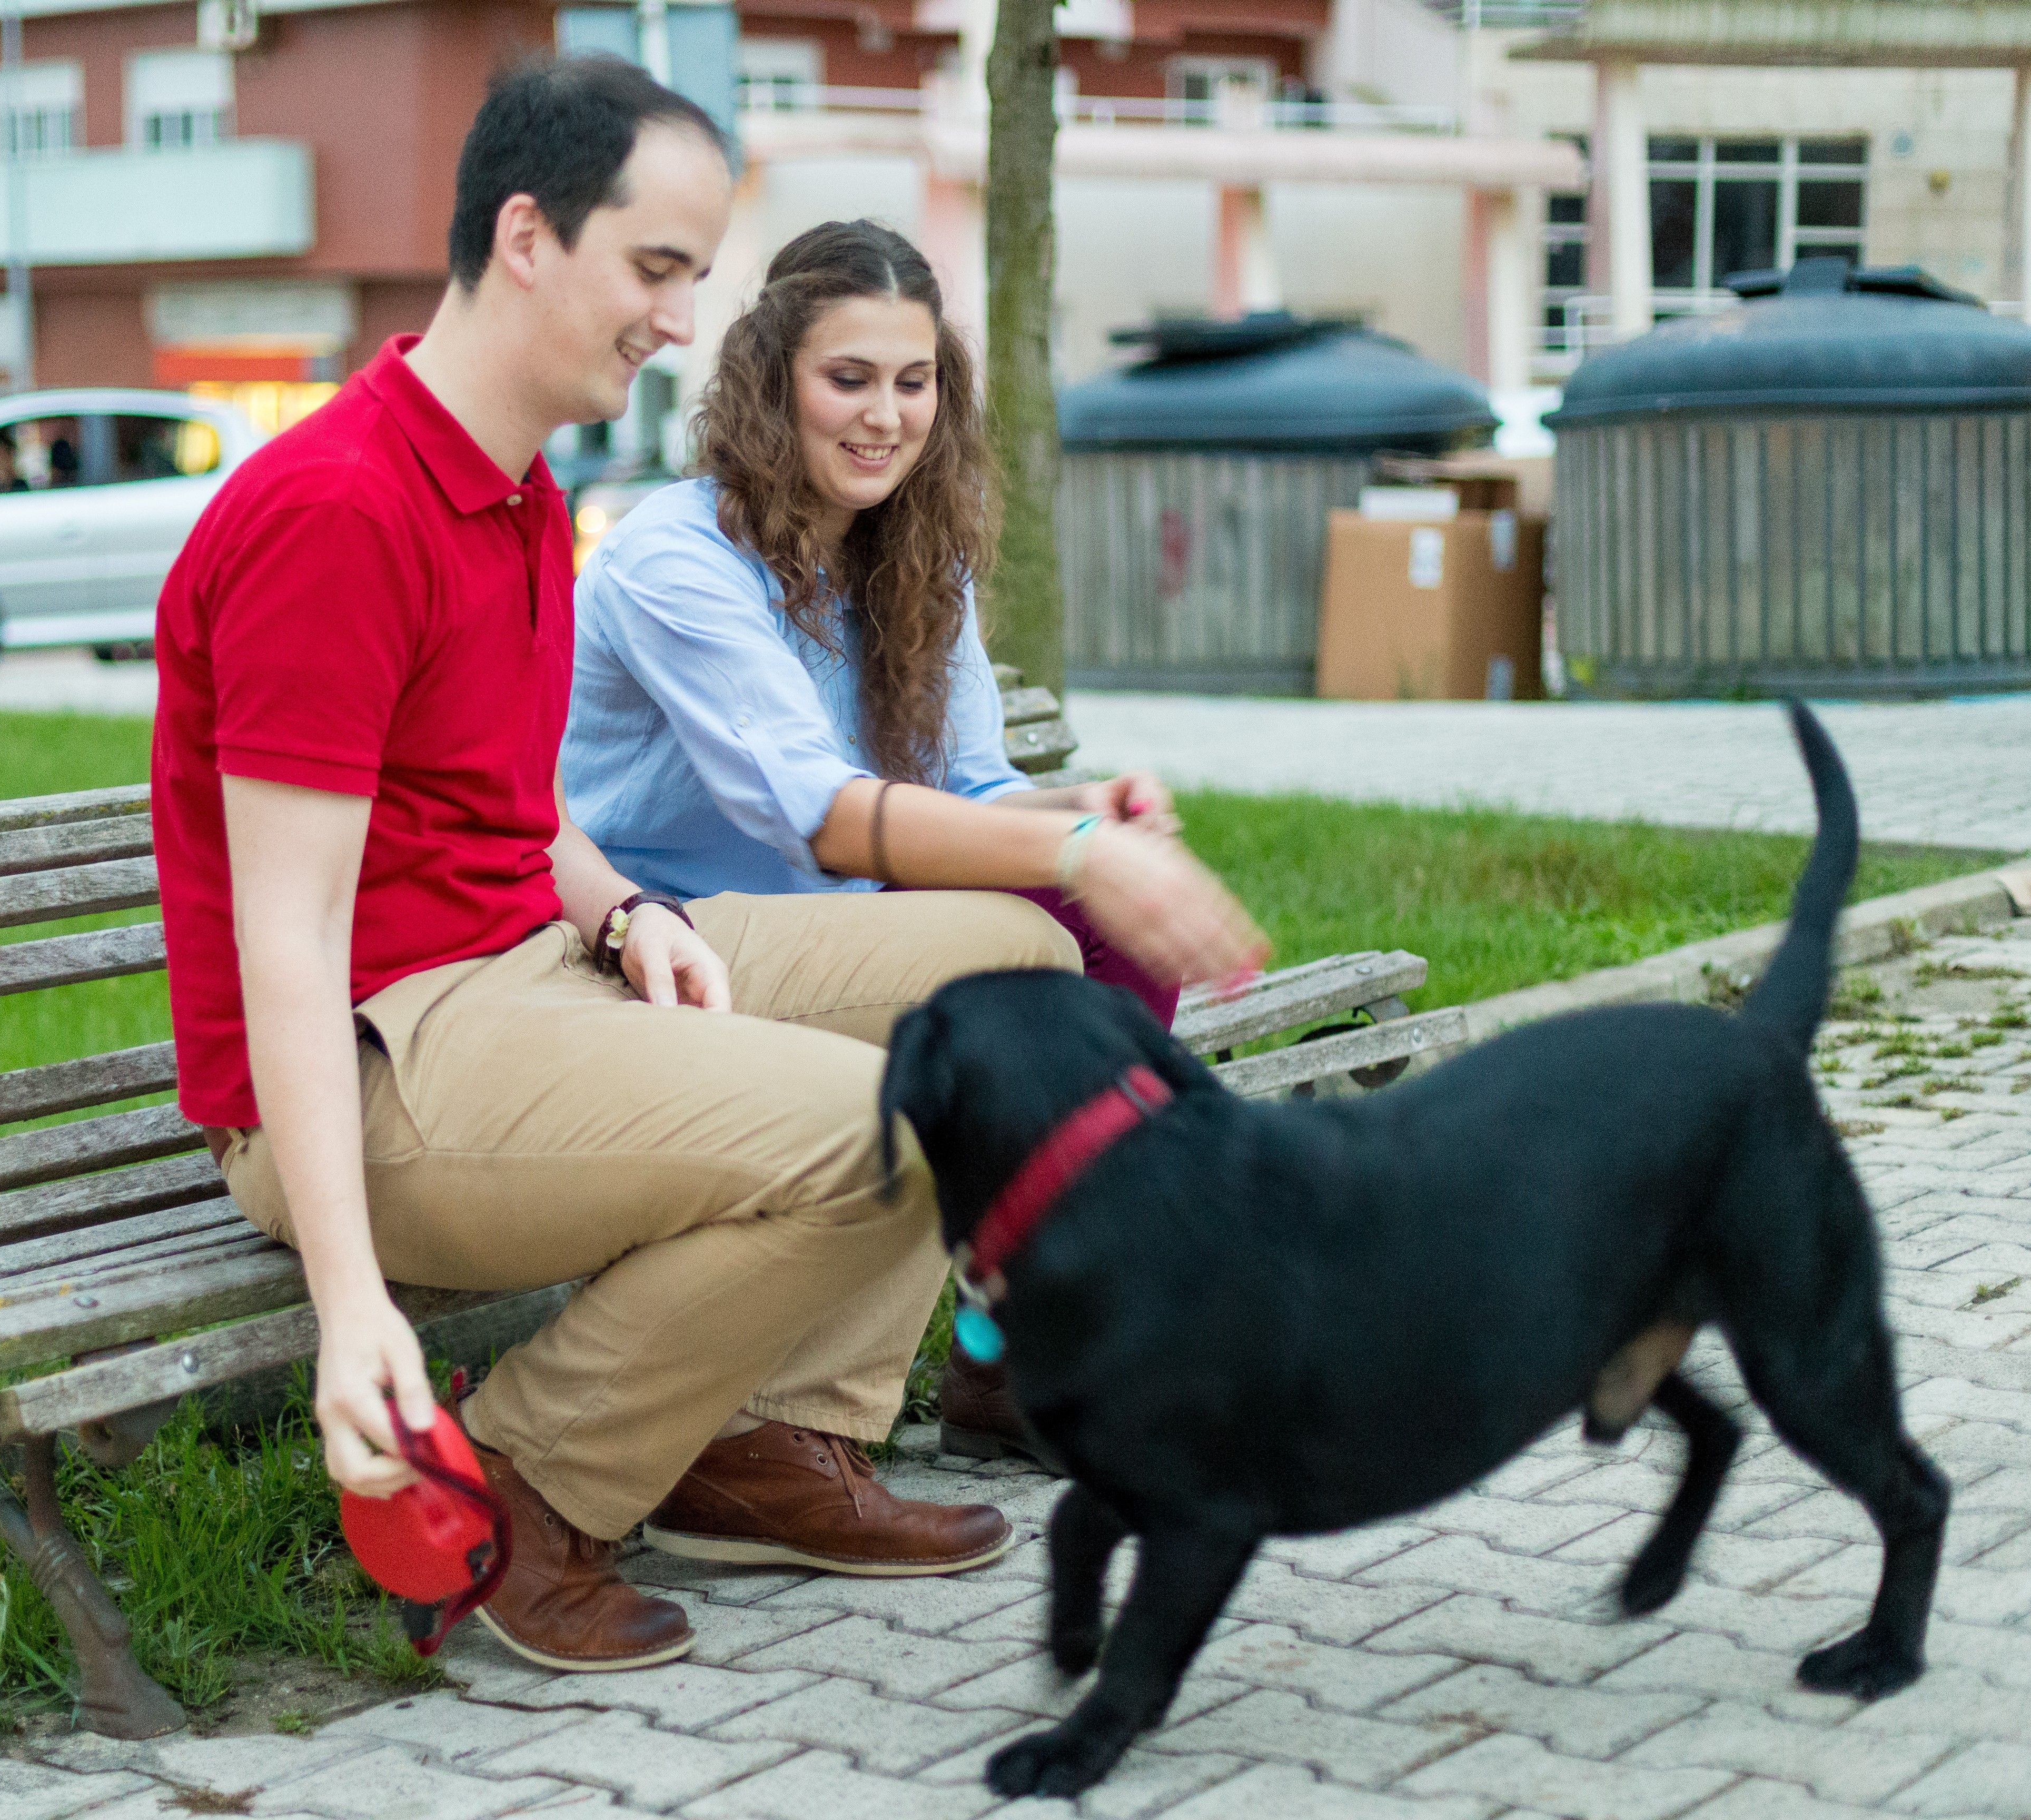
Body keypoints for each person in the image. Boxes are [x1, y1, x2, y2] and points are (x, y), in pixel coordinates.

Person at [152, 60, 1144, 1676]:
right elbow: (288, 929)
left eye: (696, 276)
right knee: (884, 1128)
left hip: (521, 984)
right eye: (659, 270)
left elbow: (509, 804)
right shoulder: (337, 511)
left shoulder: (522, 493)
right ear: (528, 237)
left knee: (1007, 978)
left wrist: (624, 917)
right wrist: (353, 1313)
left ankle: (761, 1444)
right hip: (375, 1059)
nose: (683, 322)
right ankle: (530, 1485)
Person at [561, 220, 1272, 1467]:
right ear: (771, 380)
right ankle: (795, 1434)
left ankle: (1007, 1351)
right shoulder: (675, 561)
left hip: (832, 933)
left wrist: (1080, 818)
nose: (886, 417)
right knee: (1007, 953)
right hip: (656, 945)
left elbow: (976, 787)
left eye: (914, 381)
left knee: (1094, 923)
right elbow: (822, 816)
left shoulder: (911, 559)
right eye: (849, 380)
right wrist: (1070, 861)